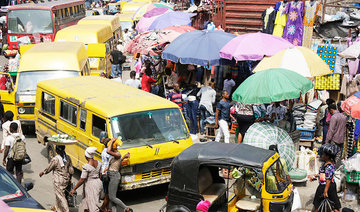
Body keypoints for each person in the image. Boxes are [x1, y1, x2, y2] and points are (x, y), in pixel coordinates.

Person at [39, 145, 74, 212]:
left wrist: (43, 172)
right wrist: (70, 178)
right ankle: (58, 209)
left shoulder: (56, 159)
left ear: (57, 150)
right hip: (66, 179)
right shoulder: (68, 158)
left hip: (59, 181)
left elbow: (49, 168)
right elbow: (71, 170)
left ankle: (66, 210)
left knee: (61, 196)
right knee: (59, 194)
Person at [310, 144, 341, 212]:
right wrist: (315, 176)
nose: (322, 156)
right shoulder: (327, 163)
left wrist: (325, 191)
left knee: (317, 205)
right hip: (329, 186)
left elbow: (328, 179)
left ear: (328, 156)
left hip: (325, 186)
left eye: (323, 154)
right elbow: (323, 175)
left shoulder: (329, 166)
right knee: (334, 205)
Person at [70, 147, 102, 212]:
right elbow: (100, 174)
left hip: (90, 185)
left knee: (93, 206)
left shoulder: (86, 167)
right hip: (98, 182)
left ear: (86, 156)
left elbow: (82, 179)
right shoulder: (99, 163)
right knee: (88, 204)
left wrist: (74, 189)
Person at [106, 138, 132, 212]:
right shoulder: (117, 156)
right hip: (112, 176)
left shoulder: (117, 154)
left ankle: (126, 208)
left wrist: (111, 141)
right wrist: (124, 157)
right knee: (111, 195)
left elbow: (108, 151)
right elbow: (118, 162)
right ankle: (111, 210)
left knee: (112, 197)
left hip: (114, 176)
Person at [325, 104, 346, 168]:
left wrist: (327, 141)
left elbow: (331, 130)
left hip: (334, 139)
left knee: (332, 155)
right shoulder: (343, 116)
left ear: (331, 110)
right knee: (338, 156)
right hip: (341, 139)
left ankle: (331, 169)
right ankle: (336, 169)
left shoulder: (334, 117)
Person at [100, 138, 111, 212]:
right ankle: (102, 207)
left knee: (106, 191)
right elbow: (111, 162)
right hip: (107, 173)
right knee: (108, 194)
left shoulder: (103, 151)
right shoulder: (108, 153)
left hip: (103, 173)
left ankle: (107, 208)